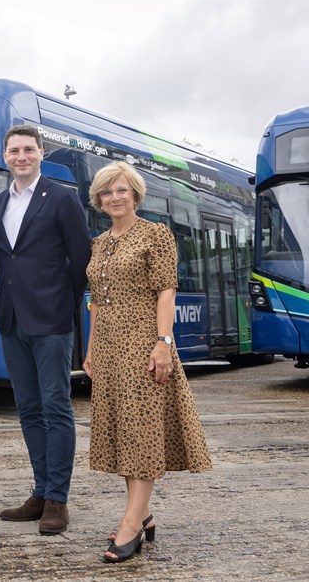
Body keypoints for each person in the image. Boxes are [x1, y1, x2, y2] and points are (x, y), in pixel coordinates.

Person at [83, 161, 212, 563]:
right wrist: (90, 349)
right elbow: (97, 303)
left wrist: (162, 342)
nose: (115, 197)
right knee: (124, 431)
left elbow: (165, 291)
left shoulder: (156, 234)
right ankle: (143, 513)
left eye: (122, 190)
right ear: (99, 200)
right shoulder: (99, 242)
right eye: (107, 192)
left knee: (141, 433)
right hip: (107, 348)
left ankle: (132, 524)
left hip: (143, 344)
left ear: (135, 194)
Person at [0, 125, 92, 535]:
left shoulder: (61, 198)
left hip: (50, 322)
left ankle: (57, 501)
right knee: (28, 408)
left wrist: (60, 305)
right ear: (5, 156)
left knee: (55, 407)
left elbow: (80, 258)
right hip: (12, 321)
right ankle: (40, 490)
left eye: (28, 149)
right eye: (14, 150)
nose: (21, 156)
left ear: (41, 152)